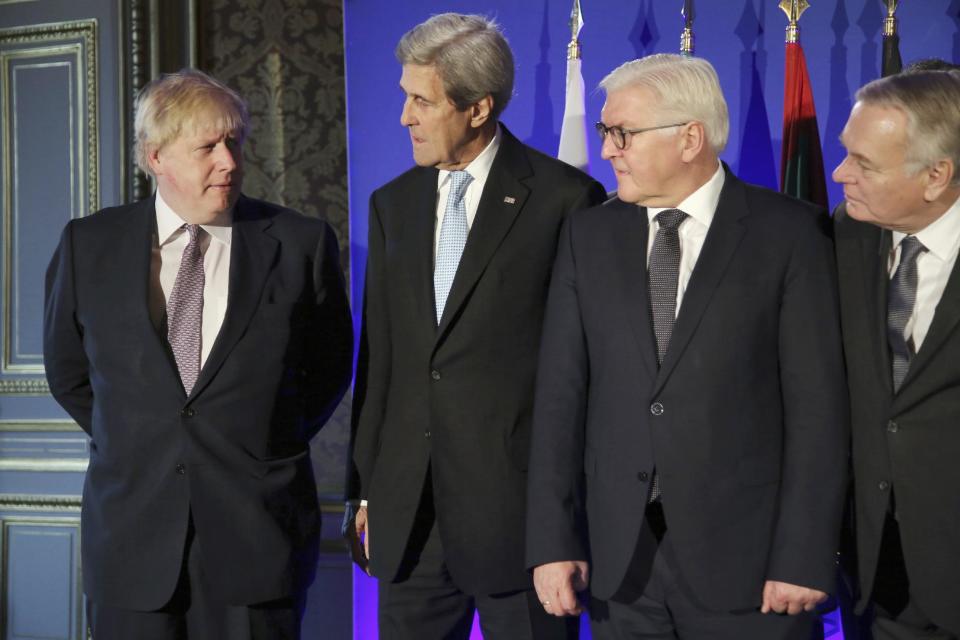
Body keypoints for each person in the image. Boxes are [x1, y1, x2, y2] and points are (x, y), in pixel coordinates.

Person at [525, 53, 848, 639]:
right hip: (621, 567)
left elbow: (818, 411)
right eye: (604, 133)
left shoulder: (791, 235)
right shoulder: (588, 235)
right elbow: (559, 399)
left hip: (752, 570)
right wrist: (552, 541)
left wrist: (803, 556)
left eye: (621, 133)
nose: (607, 151)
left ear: (690, 138)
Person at [43, 68, 352, 639]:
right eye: (207, 146)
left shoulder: (300, 244)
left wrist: (254, 436)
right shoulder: (89, 246)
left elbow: (329, 368)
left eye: (234, 141)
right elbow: (68, 373)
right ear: (156, 156)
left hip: (259, 539)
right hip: (131, 544)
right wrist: (139, 432)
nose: (229, 161)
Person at [344, 12, 606, 639]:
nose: (404, 116)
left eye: (420, 101)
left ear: (478, 108)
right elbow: (380, 360)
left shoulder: (566, 200)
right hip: (409, 522)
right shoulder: (393, 205)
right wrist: (366, 491)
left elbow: (583, 374)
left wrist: (562, 523)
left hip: (518, 523)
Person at [833, 69, 960, 639]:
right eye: (846, 155)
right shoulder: (845, 236)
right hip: (877, 574)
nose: (840, 175)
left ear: (937, 175)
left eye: (865, 164)